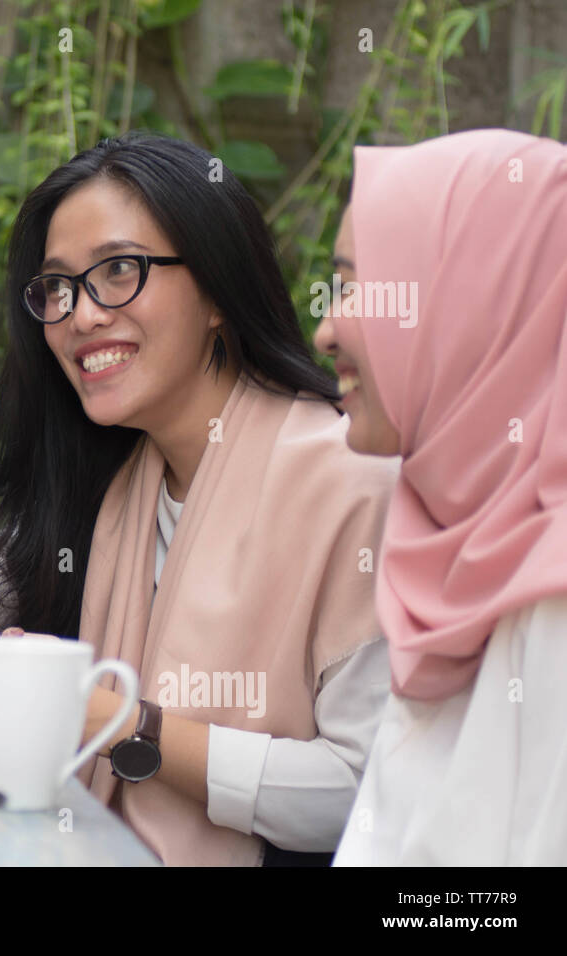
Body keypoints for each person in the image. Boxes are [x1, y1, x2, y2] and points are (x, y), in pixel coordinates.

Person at [0, 133, 399, 865]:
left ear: (218, 289)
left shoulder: (349, 481)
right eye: (57, 288)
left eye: (120, 269)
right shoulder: (121, 473)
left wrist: (127, 725)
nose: (81, 315)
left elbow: (365, 793)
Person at [317, 129, 567, 866]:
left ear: (478, 305)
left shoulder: (552, 598)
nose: (326, 328)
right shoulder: (462, 529)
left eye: (355, 285)